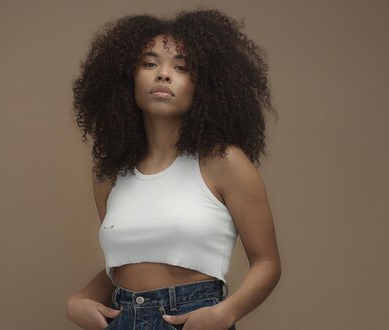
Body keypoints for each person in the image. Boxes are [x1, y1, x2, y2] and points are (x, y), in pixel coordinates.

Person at [68, 9, 281, 330]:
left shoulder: (224, 162)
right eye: (149, 63)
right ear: (128, 77)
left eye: (180, 67)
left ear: (204, 85)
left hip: (193, 319)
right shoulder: (109, 173)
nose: (163, 74)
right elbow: (125, 263)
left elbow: (267, 262)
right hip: (122, 319)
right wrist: (79, 300)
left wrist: (225, 312)